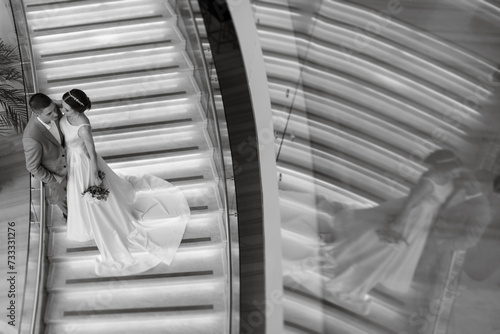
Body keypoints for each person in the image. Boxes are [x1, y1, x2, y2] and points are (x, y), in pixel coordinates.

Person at [59, 89, 190, 276]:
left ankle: (101, 221)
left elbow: (92, 152)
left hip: (82, 162)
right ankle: (84, 220)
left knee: (88, 193)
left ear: (78, 110)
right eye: (63, 108)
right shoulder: (66, 107)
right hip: (70, 158)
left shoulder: (83, 127)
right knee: (76, 193)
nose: (63, 112)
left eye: (67, 110)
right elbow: (57, 104)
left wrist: (95, 173)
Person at [319, 152, 463, 313]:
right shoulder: (427, 182)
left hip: (422, 223)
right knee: (382, 255)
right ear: (445, 167)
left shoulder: (449, 180)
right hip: (411, 221)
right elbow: (409, 204)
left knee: (385, 257)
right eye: (455, 170)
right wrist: (398, 225)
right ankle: (344, 284)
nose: (457, 174)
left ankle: (352, 284)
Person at [22, 93, 67, 217]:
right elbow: (32, 167)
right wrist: (54, 179)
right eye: (49, 114)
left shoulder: (52, 108)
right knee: (64, 202)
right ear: (36, 114)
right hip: (56, 174)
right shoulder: (31, 137)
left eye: (54, 109)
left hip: (70, 162)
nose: (56, 114)